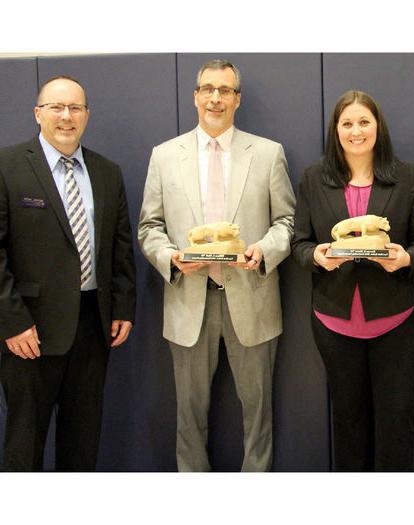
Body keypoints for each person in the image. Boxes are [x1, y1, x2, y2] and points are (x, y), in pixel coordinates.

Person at [138, 59, 295, 472]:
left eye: (224, 90)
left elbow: (287, 222)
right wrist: (169, 258)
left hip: (253, 298)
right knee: (188, 418)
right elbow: (149, 227)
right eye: (208, 89)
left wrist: (264, 250)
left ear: (237, 99)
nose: (215, 98)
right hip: (189, 301)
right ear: (195, 96)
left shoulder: (267, 153)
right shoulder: (164, 156)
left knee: (258, 414)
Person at [292, 90, 414, 471]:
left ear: (378, 126)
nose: (356, 131)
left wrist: (406, 258)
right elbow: (299, 243)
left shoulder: (406, 177)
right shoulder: (313, 179)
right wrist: (316, 257)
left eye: (363, 122)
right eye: (347, 123)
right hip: (335, 322)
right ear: (336, 130)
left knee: (397, 419)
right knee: (348, 421)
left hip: (396, 322)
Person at [0, 76, 136, 471]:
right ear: (37, 113)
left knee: (82, 444)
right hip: (30, 333)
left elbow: (120, 245)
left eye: (75, 108)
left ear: (87, 116)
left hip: (94, 327)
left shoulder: (106, 171)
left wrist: (123, 306)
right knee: (24, 445)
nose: (66, 116)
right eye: (57, 107)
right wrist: (12, 323)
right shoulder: (7, 166)